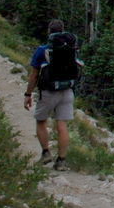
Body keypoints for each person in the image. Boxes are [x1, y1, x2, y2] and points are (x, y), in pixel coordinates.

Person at [24, 18, 80, 171]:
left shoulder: (43, 50)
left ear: (49, 32)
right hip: (67, 90)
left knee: (41, 121)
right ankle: (61, 161)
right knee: (62, 125)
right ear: (63, 30)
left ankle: (46, 152)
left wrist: (28, 94)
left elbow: (34, 75)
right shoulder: (72, 48)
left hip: (48, 91)